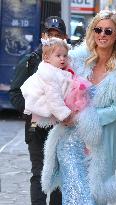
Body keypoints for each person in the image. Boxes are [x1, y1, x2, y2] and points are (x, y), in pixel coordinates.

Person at [41, 10, 116, 205]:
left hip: (99, 144)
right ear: (92, 32)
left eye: (108, 31)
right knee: (79, 199)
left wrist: (83, 117)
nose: (102, 34)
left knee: (94, 198)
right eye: (98, 29)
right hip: (69, 143)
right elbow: (49, 81)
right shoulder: (74, 59)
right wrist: (58, 112)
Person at [9, 16, 68, 205]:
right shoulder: (30, 60)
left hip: (60, 127)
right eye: (50, 34)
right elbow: (15, 94)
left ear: (64, 37)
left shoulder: (67, 63)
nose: (52, 38)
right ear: (43, 35)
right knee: (39, 171)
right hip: (35, 125)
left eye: (57, 35)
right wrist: (34, 110)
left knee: (59, 172)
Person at [20, 37, 91, 128]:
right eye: (58, 56)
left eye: (65, 55)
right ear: (47, 58)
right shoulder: (49, 75)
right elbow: (53, 97)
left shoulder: (57, 70)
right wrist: (65, 114)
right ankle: (32, 132)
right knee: (34, 127)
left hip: (46, 110)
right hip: (39, 107)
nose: (62, 59)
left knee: (40, 127)